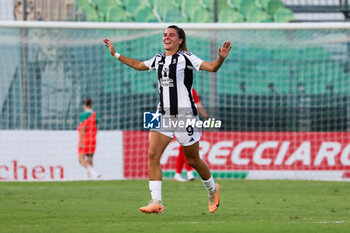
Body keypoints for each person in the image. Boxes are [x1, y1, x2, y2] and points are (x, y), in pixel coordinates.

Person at [104, 25, 231, 214]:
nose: (167, 37)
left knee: (193, 160)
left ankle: (213, 190)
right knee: (152, 154)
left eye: (171, 35)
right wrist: (115, 54)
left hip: (185, 114)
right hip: (161, 113)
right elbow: (139, 65)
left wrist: (220, 58)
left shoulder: (186, 57)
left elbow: (212, 68)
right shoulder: (159, 58)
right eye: (165, 35)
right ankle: (157, 201)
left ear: (180, 40)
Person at [174, 88, 209, 182]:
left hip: (178, 119)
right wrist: (207, 117)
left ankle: (178, 174)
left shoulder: (174, 89)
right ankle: (189, 173)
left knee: (183, 147)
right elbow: (198, 105)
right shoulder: (190, 90)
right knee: (187, 145)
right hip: (186, 119)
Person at [77, 98, 101, 179]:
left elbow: (83, 127)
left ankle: (93, 172)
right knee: (90, 159)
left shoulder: (83, 115)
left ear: (84, 105)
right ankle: (91, 177)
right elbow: (96, 129)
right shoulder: (95, 115)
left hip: (85, 139)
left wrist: (81, 141)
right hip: (93, 139)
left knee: (81, 159)